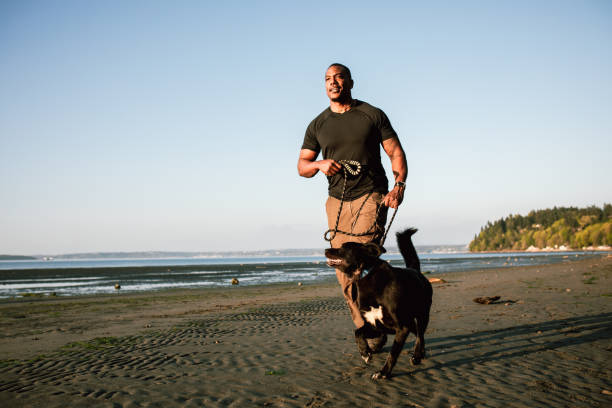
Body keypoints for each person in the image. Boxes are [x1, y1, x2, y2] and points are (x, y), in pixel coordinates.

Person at [297, 63, 408, 337]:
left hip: (371, 195)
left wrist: (399, 186)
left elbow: (395, 152)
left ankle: (381, 320)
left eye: (338, 77)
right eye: (327, 79)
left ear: (351, 82)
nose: (333, 82)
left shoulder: (371, 114)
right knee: (342, 269)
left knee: (364, 263)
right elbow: (302, 166)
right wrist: (320, 164)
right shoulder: (317, 124)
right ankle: (364, 327)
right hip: (336, 202)